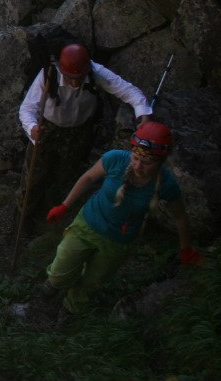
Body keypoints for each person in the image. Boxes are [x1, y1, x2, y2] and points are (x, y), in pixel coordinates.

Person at [42, 120, 203, 314]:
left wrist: (186, 249)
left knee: (92, 281)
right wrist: (64, 205)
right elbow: (89, 177)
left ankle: (71, 309)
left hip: (118, 241)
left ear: (160, 161)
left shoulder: (166, 184)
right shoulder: (116, 159)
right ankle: (55, 282)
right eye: (136, 158)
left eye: (147, 162)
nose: (138, 166)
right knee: (62, 266)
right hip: (88, 224)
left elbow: (180, 217)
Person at [17, 43, 153, 224]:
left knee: (65, 175)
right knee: (33, 177)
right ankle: (23, 217)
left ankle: (51, 217)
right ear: (61, 70)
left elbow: (128, 91)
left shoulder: (95, 72)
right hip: (47, 130)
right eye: (70, 78)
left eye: (79, 78)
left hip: (79, 133)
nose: (75, 82)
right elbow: (27, 109)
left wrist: (143, 115)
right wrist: (32, 128)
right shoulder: (48, 74)